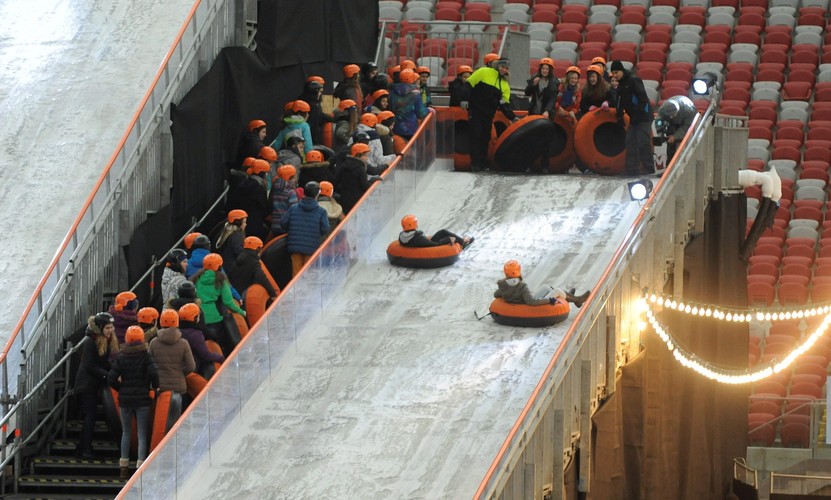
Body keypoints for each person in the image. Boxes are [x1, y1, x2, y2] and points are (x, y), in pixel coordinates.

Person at [108, 325, 159, 479]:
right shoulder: (146, 356)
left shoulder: (121, 356)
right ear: (142, 339)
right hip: (142, 400)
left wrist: (121, 388)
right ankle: (140, 466)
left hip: (125, 400)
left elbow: (111, 378)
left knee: (126, 432)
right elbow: (154, 372)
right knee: (142, 433)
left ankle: (123, 467)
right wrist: (154, 386)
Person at [74, 312, 119, 459]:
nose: (110, 330)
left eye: (112, 327)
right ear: (100, 328)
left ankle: (81, 447)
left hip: (93, 383)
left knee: (90, 415)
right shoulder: (90, 342)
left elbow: (104, 363)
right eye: (107, 328)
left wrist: (115, 371)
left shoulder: (104, 340)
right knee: (90, 415)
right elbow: (90, 366)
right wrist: (108, 375)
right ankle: (86, 449)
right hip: (86, 384)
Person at [465, 57, 517, 172]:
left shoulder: (504, 85)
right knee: (475, 136)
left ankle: (483, 163)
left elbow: (504, 103)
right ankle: (475, 163)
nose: (504, 69)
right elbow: (468, 85)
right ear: (498, 65)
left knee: (485, 138)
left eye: (506, 68)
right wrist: (464, 100)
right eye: (502, 66)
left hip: (488, 115)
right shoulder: (483, 72)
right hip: (475, 111)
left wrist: (512, 117)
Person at [193, 253, 246, 354]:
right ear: (219, 266)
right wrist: (241, 312)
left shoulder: (197, 278)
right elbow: (228, 302)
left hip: (199, 317)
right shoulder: (221, 280)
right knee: (217, 347)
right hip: (215, 318)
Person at [610, 60, 655, 175]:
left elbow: (643, 99)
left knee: (643, 141)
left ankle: (649, 168)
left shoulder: (634, 80)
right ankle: (631, 169)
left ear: (621, 70)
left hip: (643, 116)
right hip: (634, 117)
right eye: (613, 73)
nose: (615, 75)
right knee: (630, 142)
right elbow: (620, 101)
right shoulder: (621, 84)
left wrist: (637, 114)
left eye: (616, 72)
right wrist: (619, 115)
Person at [281, 181, 330, 276]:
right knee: (309, 276)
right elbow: (325, 228)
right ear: (317, 195)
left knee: (296, 275)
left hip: (295, 246)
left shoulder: (293, 208)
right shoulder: (321, 211)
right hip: (312, 247)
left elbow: (283, 222)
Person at [494, 260, 591, 307]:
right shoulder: (522, 286)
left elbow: (496, 294)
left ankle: (569, 297)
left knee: (546, 287)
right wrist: (549, 300)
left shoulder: (502, 285)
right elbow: (532, 301)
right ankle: (578, 300)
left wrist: (508, 294)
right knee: (557, 291)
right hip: (528, 304)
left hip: (524, 300)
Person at [148, 309, 195, 397]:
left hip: (160, 386)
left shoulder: (154, 342)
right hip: (179, 386)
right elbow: (191, 366)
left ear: (161, 322)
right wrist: (180, 373)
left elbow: (149, 365)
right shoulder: (184, 343)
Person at [225, 158, 271, 239]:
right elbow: (263, 208)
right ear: (262, 173)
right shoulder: (259, 188)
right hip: (255, 223)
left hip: (241, 222)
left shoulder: (242, 183)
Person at [334, 143, 383, 214]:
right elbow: (366, 186)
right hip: (358, 202)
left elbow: (336, 180)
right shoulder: (360, 168)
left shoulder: (344, 165)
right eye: (365, 155)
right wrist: (372, 180)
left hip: (344, 200)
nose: (367, 158)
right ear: (358, 155)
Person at [177, 303, 224, 375]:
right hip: (191, 370)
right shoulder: (195, 334)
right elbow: (205, 355)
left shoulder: (177, 331)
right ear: (195, 318)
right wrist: (221, 358)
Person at [390, 68, 431, 141]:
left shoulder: (392, 92)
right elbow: (421, 113)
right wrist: (428, 110)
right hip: (410, 128)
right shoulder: (415, 94)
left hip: (395, 127)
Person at [656, 95, 696, 161]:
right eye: (670, 116)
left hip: (685, 122)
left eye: (673, 116)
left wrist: (675, 136)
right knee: (667, 140)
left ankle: (675, 159)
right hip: (672, 123)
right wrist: (659, 133)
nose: (671, 117)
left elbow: (687, 126)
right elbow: (659, 121)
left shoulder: (688, 109)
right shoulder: (663, 109)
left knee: (678, 140)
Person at [398, 214, 474, 249]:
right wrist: (449, 239)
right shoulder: (419, 238)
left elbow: (423, 241)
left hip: (422, 244)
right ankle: (463, 243)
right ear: (413, 225)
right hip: (429, 247)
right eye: (416, 222)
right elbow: (435, 245)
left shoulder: (402, 236)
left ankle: (462, 240)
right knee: (446, 234)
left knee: (442, 232)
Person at [297, 77, 332, 145]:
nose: (322, 90)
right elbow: (314, 125)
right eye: (320, 89)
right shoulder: (314, 105)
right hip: (311, 138)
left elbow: (320, 115)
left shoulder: (306, 100)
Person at [215, 209, 247, 274]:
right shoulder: (237, 235)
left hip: (223, 266)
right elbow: (239, 252)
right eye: (244, 222)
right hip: (230, 270)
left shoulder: (225, 230)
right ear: (238, 223)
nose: (246, 224)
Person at [270, 164, 299, 236]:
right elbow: (295, 211)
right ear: (290, 177)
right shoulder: (291, 192)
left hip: (274, 225)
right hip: (286, 227)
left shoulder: (275, 189)